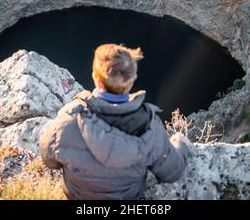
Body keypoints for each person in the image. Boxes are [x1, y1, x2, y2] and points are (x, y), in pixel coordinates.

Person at [40, 43, 190, 200]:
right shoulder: (149, 127)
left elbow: (49, 160)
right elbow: (172, 172)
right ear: (131, 81)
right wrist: (181, 143)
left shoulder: (69, 120)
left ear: (97, 80)